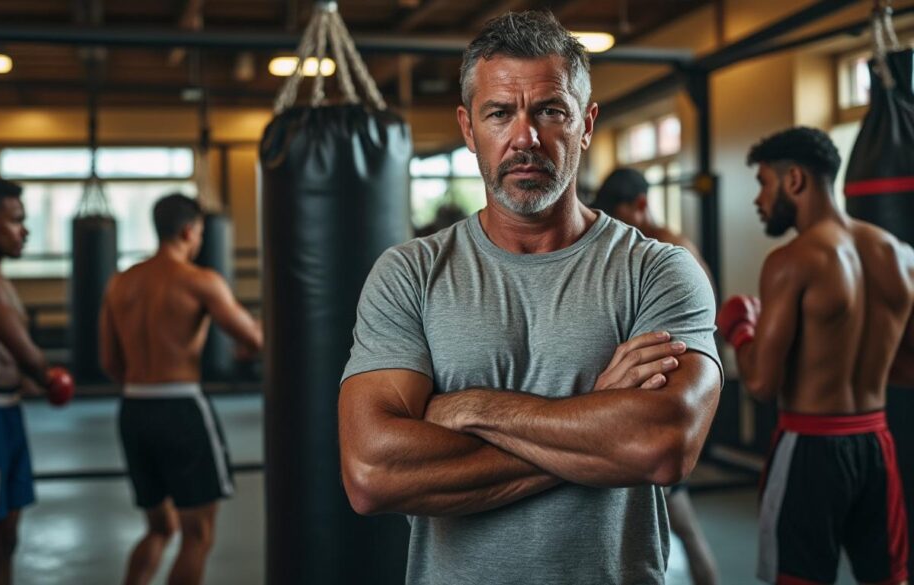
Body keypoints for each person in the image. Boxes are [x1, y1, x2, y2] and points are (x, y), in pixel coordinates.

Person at [338, 11, 722, 585]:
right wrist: (598, 420)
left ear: (586, 123)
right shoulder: (409, 274)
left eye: (550, 111)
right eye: (500, 113)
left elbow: (661, 446)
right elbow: (372, 472)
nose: (525, 138)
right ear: (469, 128)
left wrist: (470, 408)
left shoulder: (657, 271)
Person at [718, 126, 914, 585]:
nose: (758, 199)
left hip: (810, 448)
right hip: (876, 443)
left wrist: (740, 329)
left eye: (763, 183)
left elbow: (761, 385)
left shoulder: (792, 260)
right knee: (889, 578)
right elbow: (908, 368)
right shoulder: (902, 256)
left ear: (795, 180)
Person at [99, 193, 263, 585]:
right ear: (189, 231)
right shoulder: (199, 281)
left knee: (159, 528)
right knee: (198, 535)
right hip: (181, 409)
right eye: (200, 233)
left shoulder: (120, 283)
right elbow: (254, 341)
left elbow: (109, 363)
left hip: (133, 409)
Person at [595, 167, 719, 585]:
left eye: (622, 215)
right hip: (641, 404)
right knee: (674, 524)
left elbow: (695, 334)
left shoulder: (672, 251)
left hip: (669, 403)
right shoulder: (631, 252)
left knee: (674, 526)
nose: (616, 226)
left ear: (642, 205)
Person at [0, 176, 75, 585]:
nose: (25, 230)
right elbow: (21, 350)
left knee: (5, 538)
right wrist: (47, 374)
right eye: (16, 220)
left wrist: (32, 378)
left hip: (7, 412)